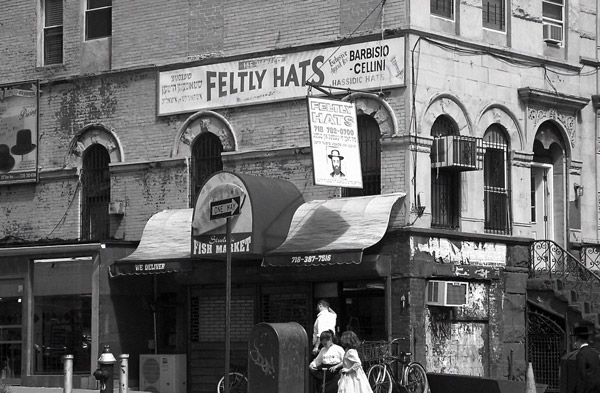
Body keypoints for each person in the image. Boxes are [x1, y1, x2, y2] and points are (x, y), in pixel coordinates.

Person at [574, 323, 600, 393]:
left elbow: (581, 376)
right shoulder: (595, 353)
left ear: (578, 339)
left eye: (575, 341)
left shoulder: (581, 354)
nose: (575, 344)